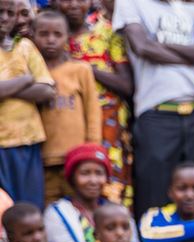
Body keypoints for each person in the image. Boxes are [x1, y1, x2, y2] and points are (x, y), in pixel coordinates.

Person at [113, 0, 194, 217]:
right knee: (154, 191)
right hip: (155, 112)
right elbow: (142, 47)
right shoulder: (130, 4)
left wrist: (159, 48)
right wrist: (192, 55)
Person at [58, 0, 134, 206]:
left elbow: (126, 85)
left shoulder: (108, 32)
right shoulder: (51, 36)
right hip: (67, 121)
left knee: (110, 184)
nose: (72, 4)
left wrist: (83, 67)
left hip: (108, 122)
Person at [33, 10, 101, 203]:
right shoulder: (30, 73)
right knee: (48, 208)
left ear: (68, 36)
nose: (50, 40)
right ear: (32, 35)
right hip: (42, 162)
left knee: (79, 208)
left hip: (77, 161)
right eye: (44, 34)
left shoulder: (80, 70)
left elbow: (93, 113)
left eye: (57, 34)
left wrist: (91, 152)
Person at [0, 0, 55, 208]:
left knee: (31, 206)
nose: (4, 18)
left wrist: (7, 89)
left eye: (10, 12)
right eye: (0, 11)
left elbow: (47, 91)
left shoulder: (25, 47)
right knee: (5, 208)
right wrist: (25, 80)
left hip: (28, 140)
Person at [44, 143, 133, 242]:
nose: (93, 180)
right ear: (72, 177)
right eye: (85, 173)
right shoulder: (57, 213)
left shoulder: (115, 209)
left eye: (99, 173)